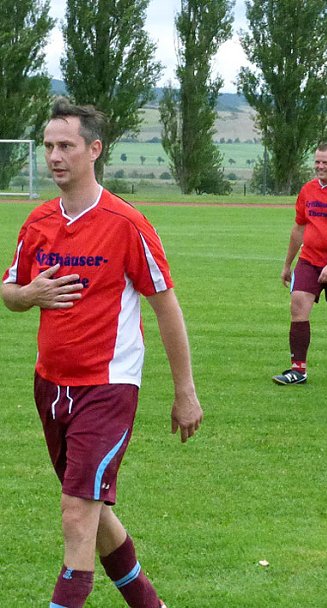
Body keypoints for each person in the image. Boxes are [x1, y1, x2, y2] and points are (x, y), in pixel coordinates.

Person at [1, 98, 203, 607]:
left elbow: (166, 308)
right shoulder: (38, 223)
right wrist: (30, 295)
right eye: (48, 145)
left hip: (107, 387)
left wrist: (186, 393)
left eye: (65, 145)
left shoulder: (125, 223)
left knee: (75, 513)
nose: (54, 156)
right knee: (93, 509)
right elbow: (11, 291)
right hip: (49, 386)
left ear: (94, 150)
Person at [273, 144, 327, 386]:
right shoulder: (308, 190)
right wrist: (287, 264)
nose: (320, 166)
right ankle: (298, 370)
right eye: (317, 162)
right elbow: (299, 227)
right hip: (310, 260)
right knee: (298, 305)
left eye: (325, 162)